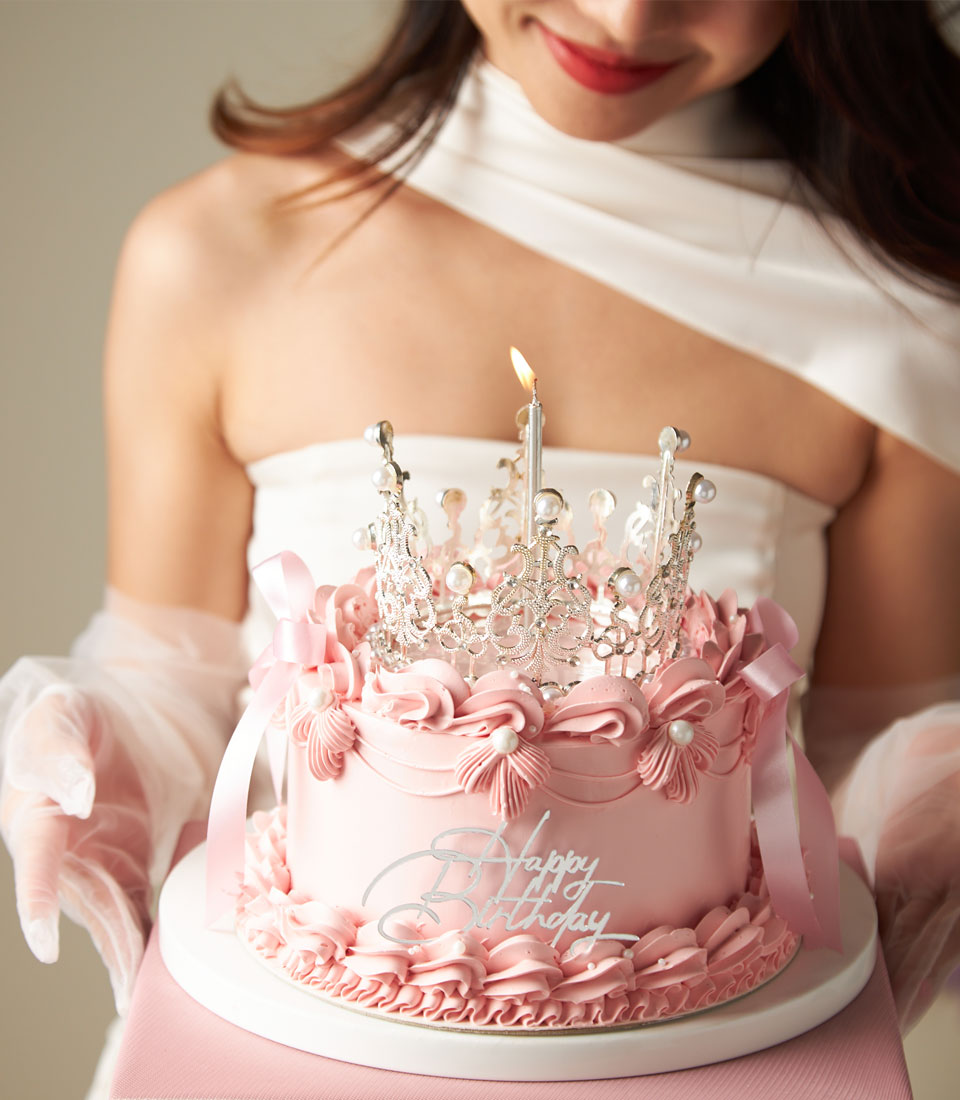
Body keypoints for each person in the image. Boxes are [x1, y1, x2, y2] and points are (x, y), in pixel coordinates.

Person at [2, 0, 958, 1086]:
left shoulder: (903, 313)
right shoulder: (217, 251)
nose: (626, 12)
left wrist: (933, 787)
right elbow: (171, 672)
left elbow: (861, 758)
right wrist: (106, 746)